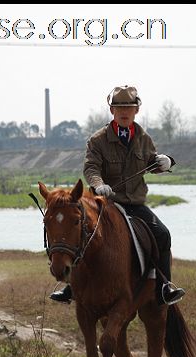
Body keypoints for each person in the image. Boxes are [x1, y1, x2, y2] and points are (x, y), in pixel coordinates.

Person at [50, 85, 186, 305]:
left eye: (129, 107)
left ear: (136, 111)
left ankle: (164, 288)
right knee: (81, 233)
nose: (124, 111)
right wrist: (99, 184)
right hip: (104, 203)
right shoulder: (97, 140)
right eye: (119, 107)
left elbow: (151, 162)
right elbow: (91, 168)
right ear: (112, 110)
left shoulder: (143, 138)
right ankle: (71, 287)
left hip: (134, 204)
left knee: (163, 234)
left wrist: (164, 162)